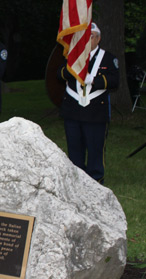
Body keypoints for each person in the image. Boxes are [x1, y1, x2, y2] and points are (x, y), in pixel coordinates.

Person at [57, 23, 119, 184]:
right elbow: (60, 74)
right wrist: (72, 69)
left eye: (90, 36)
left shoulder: (108, 58)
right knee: (75, 149)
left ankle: (96, 181)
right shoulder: (72, 56)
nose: (87, 40)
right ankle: (77, 181)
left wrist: (94, 80)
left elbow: (114, 81)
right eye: (83, 37)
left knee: (95, 148)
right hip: (73, 110)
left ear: (98, 38)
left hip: (95, 112)